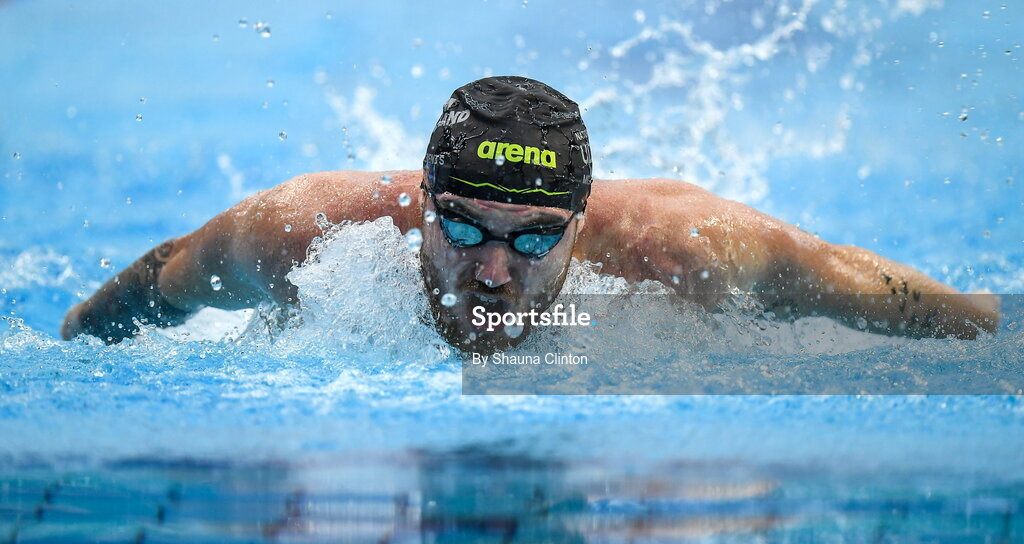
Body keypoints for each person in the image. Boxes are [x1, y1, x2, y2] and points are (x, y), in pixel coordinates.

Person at [60, 76, 999, 350]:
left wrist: (997, 335)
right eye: (463, 227)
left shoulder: (685, 252)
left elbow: (867, 287)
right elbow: (161, 281)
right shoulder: (303, 233)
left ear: (582, 227)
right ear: (421, 206)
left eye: (537, 239)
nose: (495, 271)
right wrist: (69, 347)